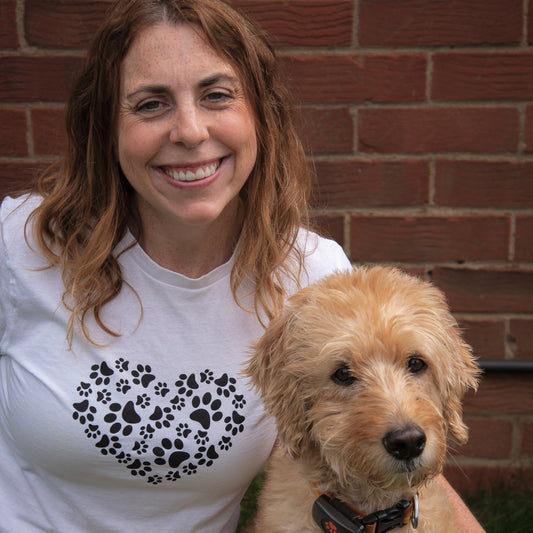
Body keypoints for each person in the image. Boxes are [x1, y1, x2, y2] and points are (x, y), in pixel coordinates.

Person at [0, 0, 484, 531]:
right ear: (105, 128)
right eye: (150, 104)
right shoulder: (21, 244)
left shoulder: (313, 275)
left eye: (216, 95)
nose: (189, 130)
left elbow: (393, 437)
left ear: (259, 113)